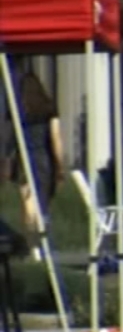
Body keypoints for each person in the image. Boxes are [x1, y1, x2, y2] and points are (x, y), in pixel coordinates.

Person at [8, 73, 62, 258]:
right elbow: (55, 140)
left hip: (23, 161)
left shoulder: (19, 113)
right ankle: (44, 242)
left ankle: (33, 247)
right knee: (42, 204)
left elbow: (12, 141)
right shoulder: (49, 112)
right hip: (43, 161)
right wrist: (60, 166)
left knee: (27, 206)